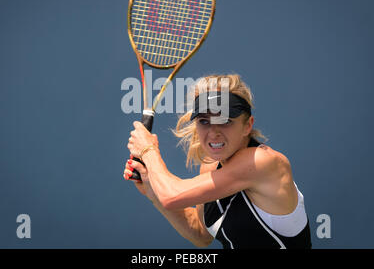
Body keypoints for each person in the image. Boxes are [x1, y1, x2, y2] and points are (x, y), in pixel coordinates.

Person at [124, 74, 311, 249]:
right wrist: (152, 189)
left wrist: (148, 149)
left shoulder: (262, 162)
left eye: (225, 120)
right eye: (204, 121)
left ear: (248, 125)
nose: (213, 132)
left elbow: (171, 196)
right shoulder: (210, 167)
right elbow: (200, 233)